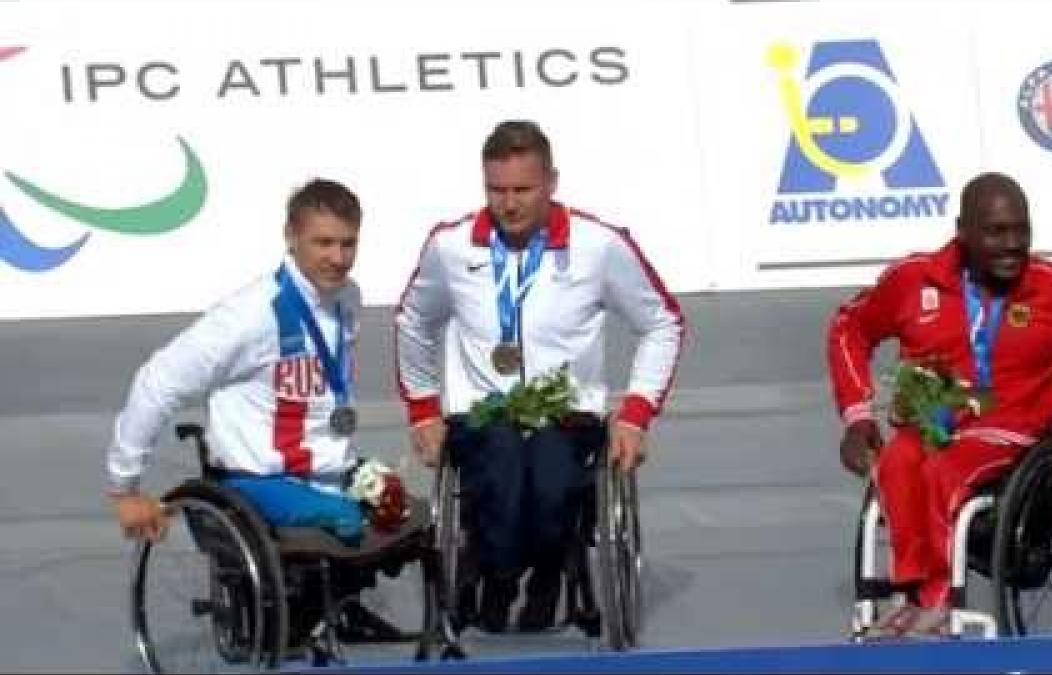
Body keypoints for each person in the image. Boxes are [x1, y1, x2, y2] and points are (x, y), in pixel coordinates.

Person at [827, 172, 1052, 638]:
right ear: (962, 231)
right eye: (995, 232)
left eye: (1021, 230)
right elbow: (849, 328)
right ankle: (914, 596)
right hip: (936, 415)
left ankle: (933, 605)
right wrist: (856, 415)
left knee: (942, 468)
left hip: (1013, 424)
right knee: (897, 460)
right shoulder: (912, 280)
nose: (1012, 244)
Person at [394, 119, 685, 633]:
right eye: (497, 190)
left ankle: (549, 572)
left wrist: (636, 414)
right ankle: (499, 574)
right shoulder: (452, 246)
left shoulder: (599, 245)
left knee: (552, 484)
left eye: (523, 190)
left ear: (552, 181)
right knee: (503, 468)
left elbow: (663, 321)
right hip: (483, 414)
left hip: (567, 414)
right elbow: (414, 320)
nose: (509, 204)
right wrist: (422, 409)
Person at [105, 178, 397, 642]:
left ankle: (338, 606)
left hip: (328, 469)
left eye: (348, 244)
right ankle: (306, 619)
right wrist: (124, 488)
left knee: (398, 507)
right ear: (291, 236)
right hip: (256, 481)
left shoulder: (348, 299)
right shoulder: (250, 316)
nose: (338, 258)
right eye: (323, 243)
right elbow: (156, 381)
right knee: (348, 518)